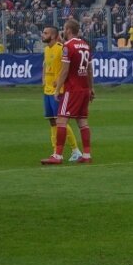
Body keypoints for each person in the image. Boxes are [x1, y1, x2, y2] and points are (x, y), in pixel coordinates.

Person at [41, 19, 94, 165]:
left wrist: (58, 89)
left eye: (64, 29)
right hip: (84, 89)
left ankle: (57, 156)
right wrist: (91, 88)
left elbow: (64, 70)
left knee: (61, 120)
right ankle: (87, 154)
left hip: (72, 89)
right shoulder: (85, 45)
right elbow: (89, 69)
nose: (63, 32)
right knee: (83, 122)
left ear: (69, 30)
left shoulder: (68, 46)